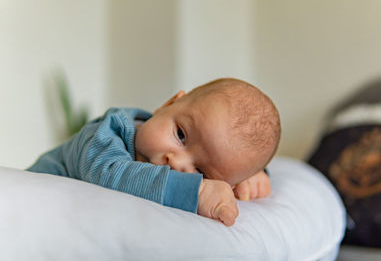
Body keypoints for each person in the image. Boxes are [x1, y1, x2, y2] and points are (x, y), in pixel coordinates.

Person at [27, 78, 281, 226]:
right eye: (180, 135)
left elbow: (230, 160)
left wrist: (252, 176)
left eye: (201, 171)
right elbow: (110, 175)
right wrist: (198, 190)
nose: (176, 163)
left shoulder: (186, 153)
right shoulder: (108, 132)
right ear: (168, 104)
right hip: (27, 208)